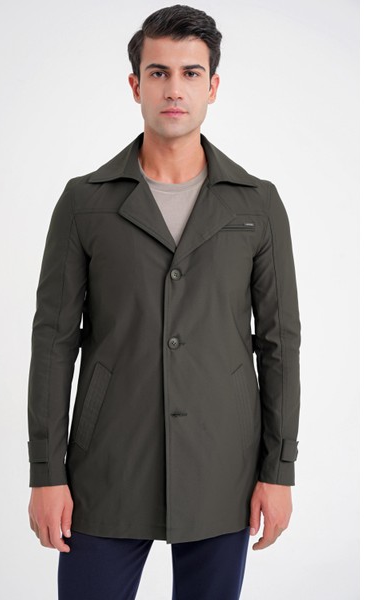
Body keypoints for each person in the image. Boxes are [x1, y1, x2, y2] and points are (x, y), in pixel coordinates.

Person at [27, 5, 301, 599]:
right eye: (158, 73)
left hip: (223, 469)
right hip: (106, 467)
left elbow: (280, 344)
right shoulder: (84, 202)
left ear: (213, 86)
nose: (174, 89)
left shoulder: (256, 204)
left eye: (190, 73)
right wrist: (46, 474)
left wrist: (279, 471)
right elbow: (53, 343)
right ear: (135, 86)